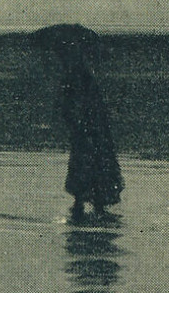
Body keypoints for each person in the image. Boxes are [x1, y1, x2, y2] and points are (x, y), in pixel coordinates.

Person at [34, 24, 124, 220]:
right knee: (95, 162)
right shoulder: (80, 72)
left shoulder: (74, 73)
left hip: (86, 126)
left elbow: (72, 104)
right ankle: (94, 204)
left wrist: (70, 117)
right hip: (92, 126)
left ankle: (83, 205)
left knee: (85, 161)